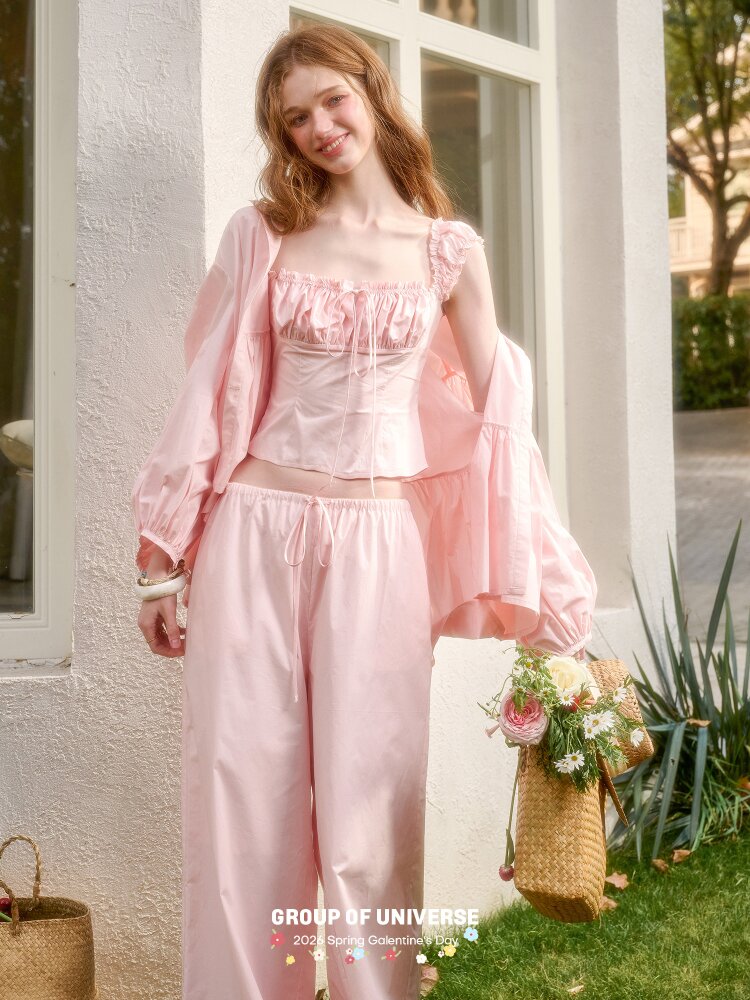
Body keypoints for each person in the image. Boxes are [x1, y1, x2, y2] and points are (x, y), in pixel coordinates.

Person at [131, 22, 597, 1000]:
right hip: (254, 534)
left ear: (371, 92)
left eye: (331, 100)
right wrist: (162, 556)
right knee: (240, 800)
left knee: (370, 811)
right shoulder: (261, 235)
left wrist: (557, 604)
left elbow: (503, 431)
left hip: (382, 550)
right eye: (295, 117)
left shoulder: (447, 253)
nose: (319, 127)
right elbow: (206, 394)